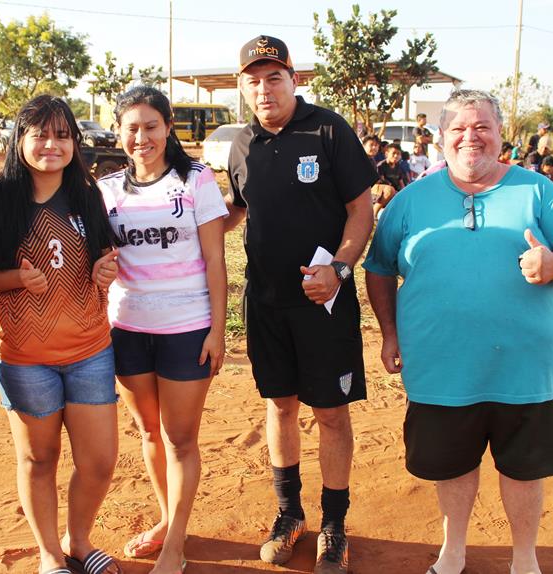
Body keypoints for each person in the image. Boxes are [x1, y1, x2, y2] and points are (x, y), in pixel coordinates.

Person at [363, 89, 553, 574]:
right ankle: (453, 553)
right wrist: (390, 333)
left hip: (523, 366)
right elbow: (380, 267)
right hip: (439, 366)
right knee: (451, 464)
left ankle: (524, 559)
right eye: (459, 129)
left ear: (499, 134)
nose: (471, 137)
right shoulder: (411, 200)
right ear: (442, 138)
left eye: (482, 127)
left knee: (523, 466)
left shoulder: (537, 190)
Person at [225, 35, 376, 574]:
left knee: (331, 414)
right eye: (253, 80)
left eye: (274, 77)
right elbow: (238, 208)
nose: (263, 89)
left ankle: (334, 523)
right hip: (265, 302)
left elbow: (362, 209)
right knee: (279, 406)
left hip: (324, 302)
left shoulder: (329, 130)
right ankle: (289, 516)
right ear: (243, 87)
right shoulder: (240, 144)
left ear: (294, 80)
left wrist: (338, 270)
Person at [0, 95, 122, 574]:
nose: (51, 145)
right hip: (25, 357)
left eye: (62, 135)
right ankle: (49, 555)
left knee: (99, 460)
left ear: (74, 144)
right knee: (39, 460)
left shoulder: (86, 193)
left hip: (90, 352)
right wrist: (16, 279)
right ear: (19, 139)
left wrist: (106, 270)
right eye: (39, 134)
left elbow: (106, 257)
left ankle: (79, 541)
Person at [97, 86, 227, 574]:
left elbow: (216, 260)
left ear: (168, 128)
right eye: (132, 127)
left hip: (186, 328)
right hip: (127, 327)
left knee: (179, 439)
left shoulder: (196, 180)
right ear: (120, 132)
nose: (142, 136)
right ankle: (167, 519)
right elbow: (101, 260)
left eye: (151, 125)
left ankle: (175, 544)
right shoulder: (107, 190)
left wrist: (217, 330)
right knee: (149, 432)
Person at [374, 143, 410, 219]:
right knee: (389, 190)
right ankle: (373, 213)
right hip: (380, 193)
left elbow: (401, 183)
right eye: (393, 153)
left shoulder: (399, 167)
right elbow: (381, 181)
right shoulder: (381, 166)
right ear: (387, 153)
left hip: (394, 192)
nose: (396, 156)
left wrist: (405, 192)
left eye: (398, 154)